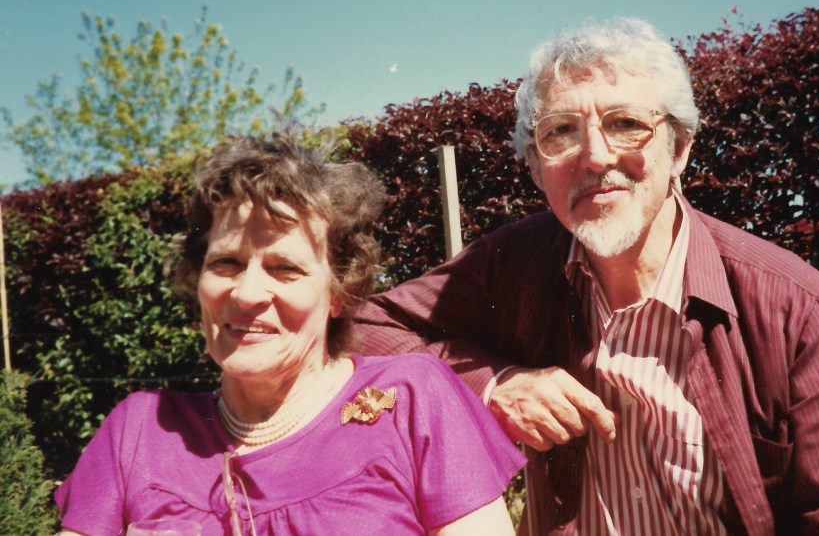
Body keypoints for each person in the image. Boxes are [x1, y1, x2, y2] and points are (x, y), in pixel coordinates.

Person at [354, 18, 819, 535]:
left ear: (679, 150)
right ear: (534, 168)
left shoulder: (794, 308)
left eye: (627, 124)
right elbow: (359, 325)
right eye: (561, 132)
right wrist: (495, 383)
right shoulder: (513, 263)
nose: (595, 156)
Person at [55, 133, 524, 536]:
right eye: (226, 263)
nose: (248, 293)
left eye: (285, 268)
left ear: (338, 292)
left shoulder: (412, 398)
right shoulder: (138, 431)